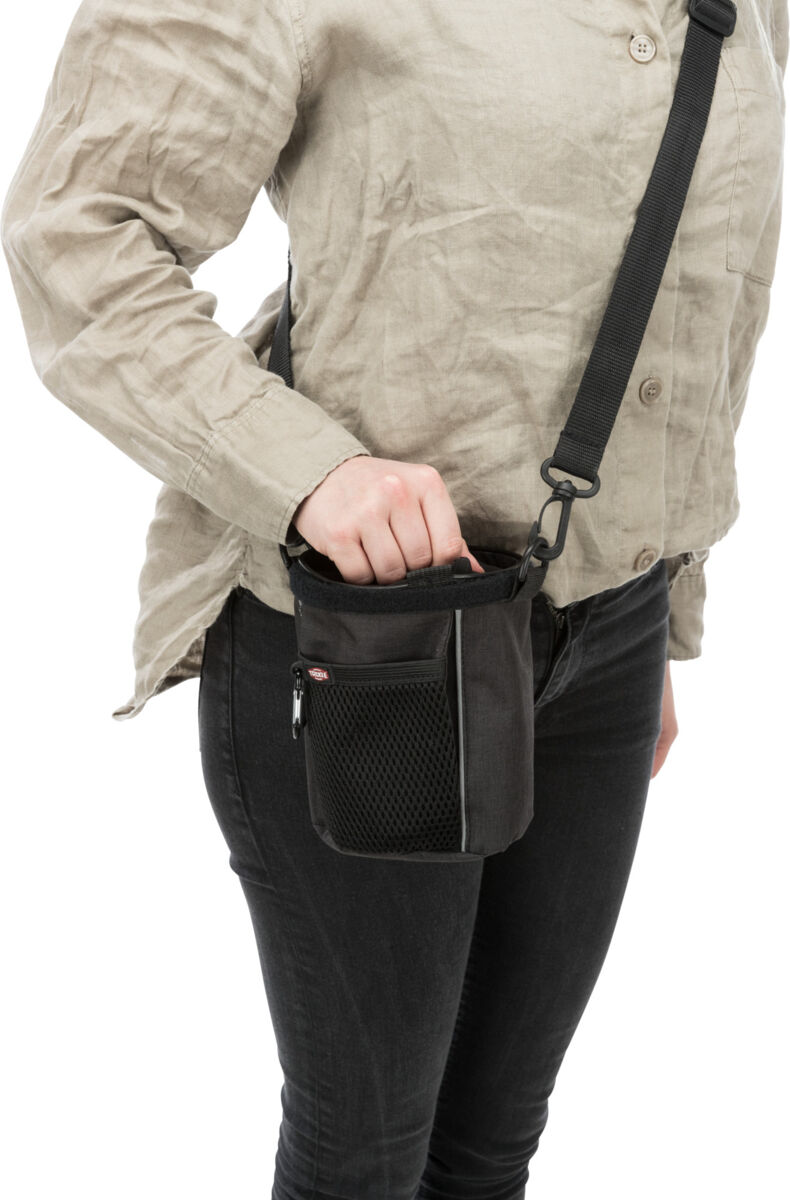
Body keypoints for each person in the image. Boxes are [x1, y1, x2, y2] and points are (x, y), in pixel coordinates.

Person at [2, 1, 786, 1195]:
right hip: (371, 645)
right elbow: (77, 235)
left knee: (490, 1143)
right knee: (362, 1157)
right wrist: (307, 472)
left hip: (609, 633)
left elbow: (703, 280)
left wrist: (663, 597)